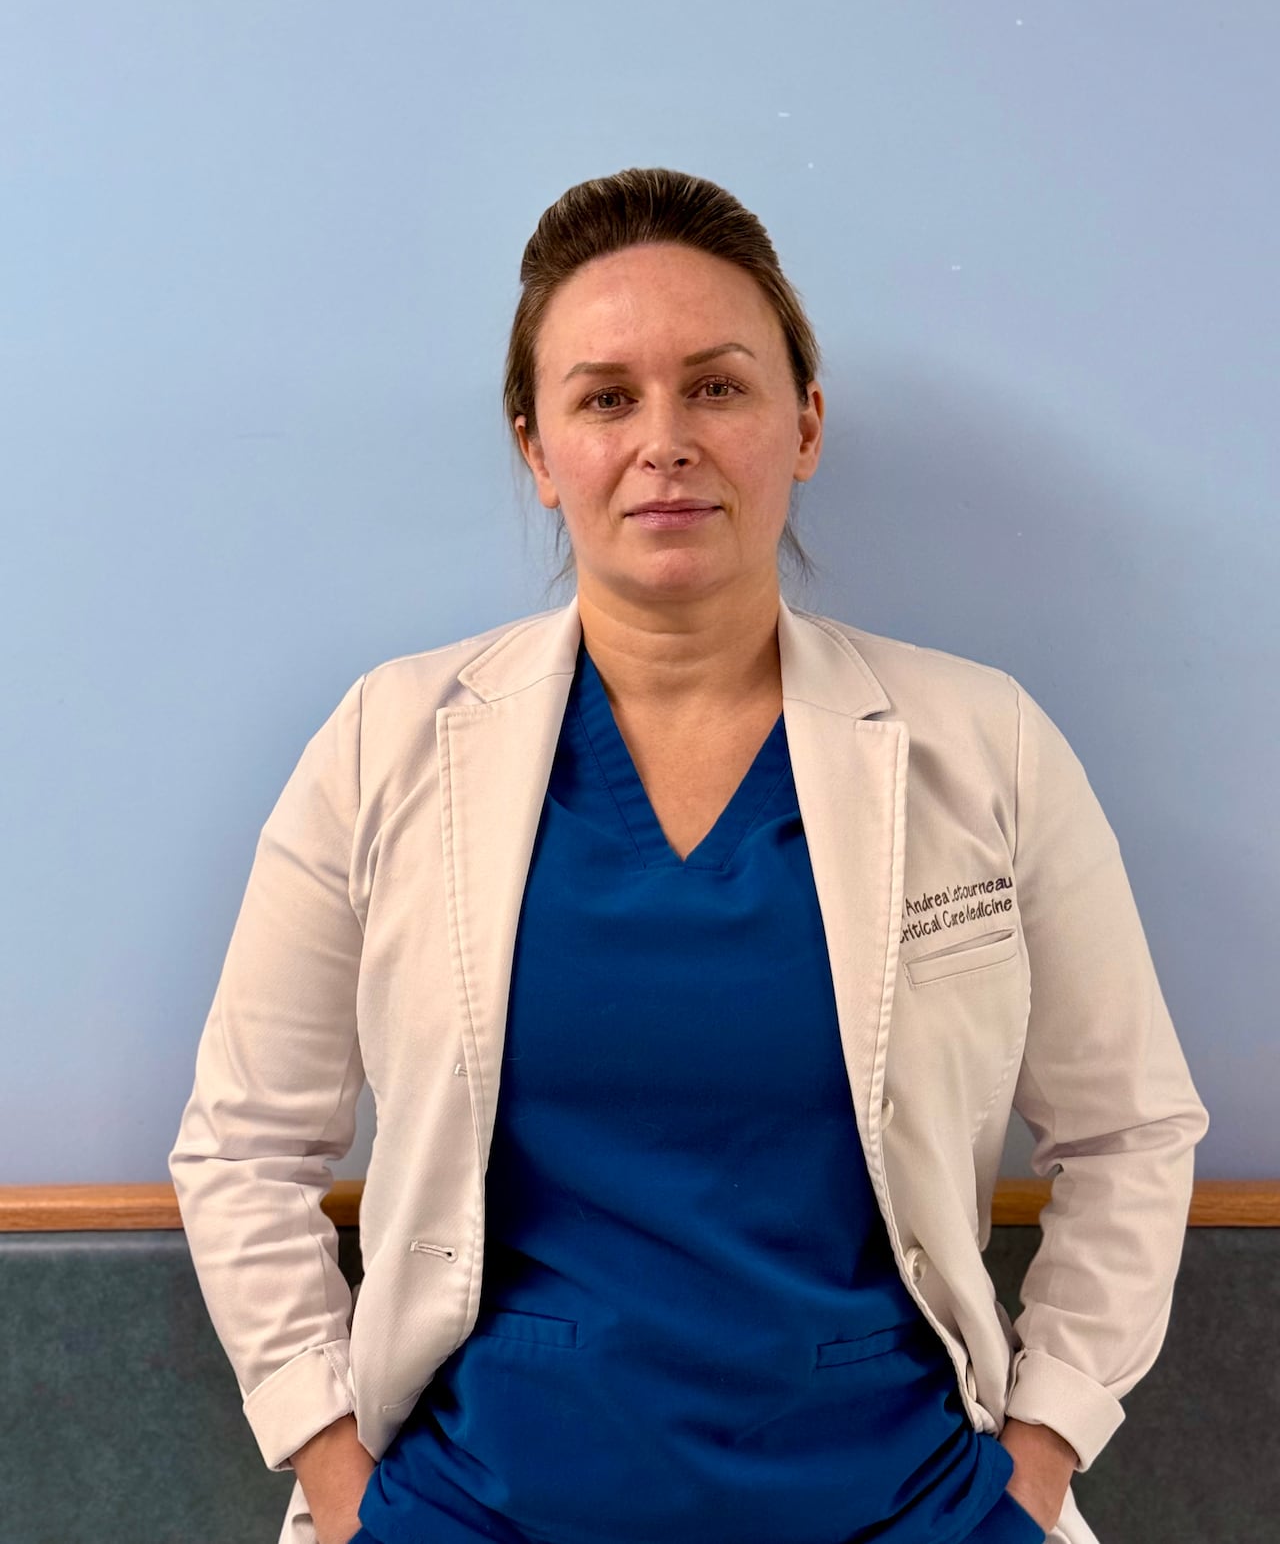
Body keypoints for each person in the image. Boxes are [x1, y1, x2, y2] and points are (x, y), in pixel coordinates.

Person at [169, 167, 1209, 1544]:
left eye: (717, 387)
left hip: (903, 1506)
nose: (665, 441)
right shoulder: (386, 743)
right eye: (606, 398)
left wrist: (1041, 1457)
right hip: (475, 1511)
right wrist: (344, 1489)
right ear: (539, 449)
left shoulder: (985, 745)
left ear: (805, 425)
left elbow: (1133, 1128)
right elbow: (241, 1142)